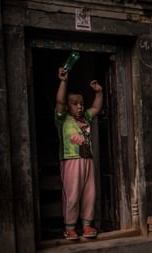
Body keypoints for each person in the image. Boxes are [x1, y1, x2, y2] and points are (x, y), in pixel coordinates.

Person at [55, 66, 103, 240]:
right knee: (72, 194)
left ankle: (87, 226)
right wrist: (63, 81)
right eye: (75, 104)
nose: (80, 107)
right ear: (68, 107)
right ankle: (70, 227)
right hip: (70, 160)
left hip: (87, 160)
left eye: (82, 103)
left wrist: (99, 92)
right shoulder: (62, 119)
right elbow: (59, 102)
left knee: (89, 194)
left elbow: (96, 108)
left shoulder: (85, 119)